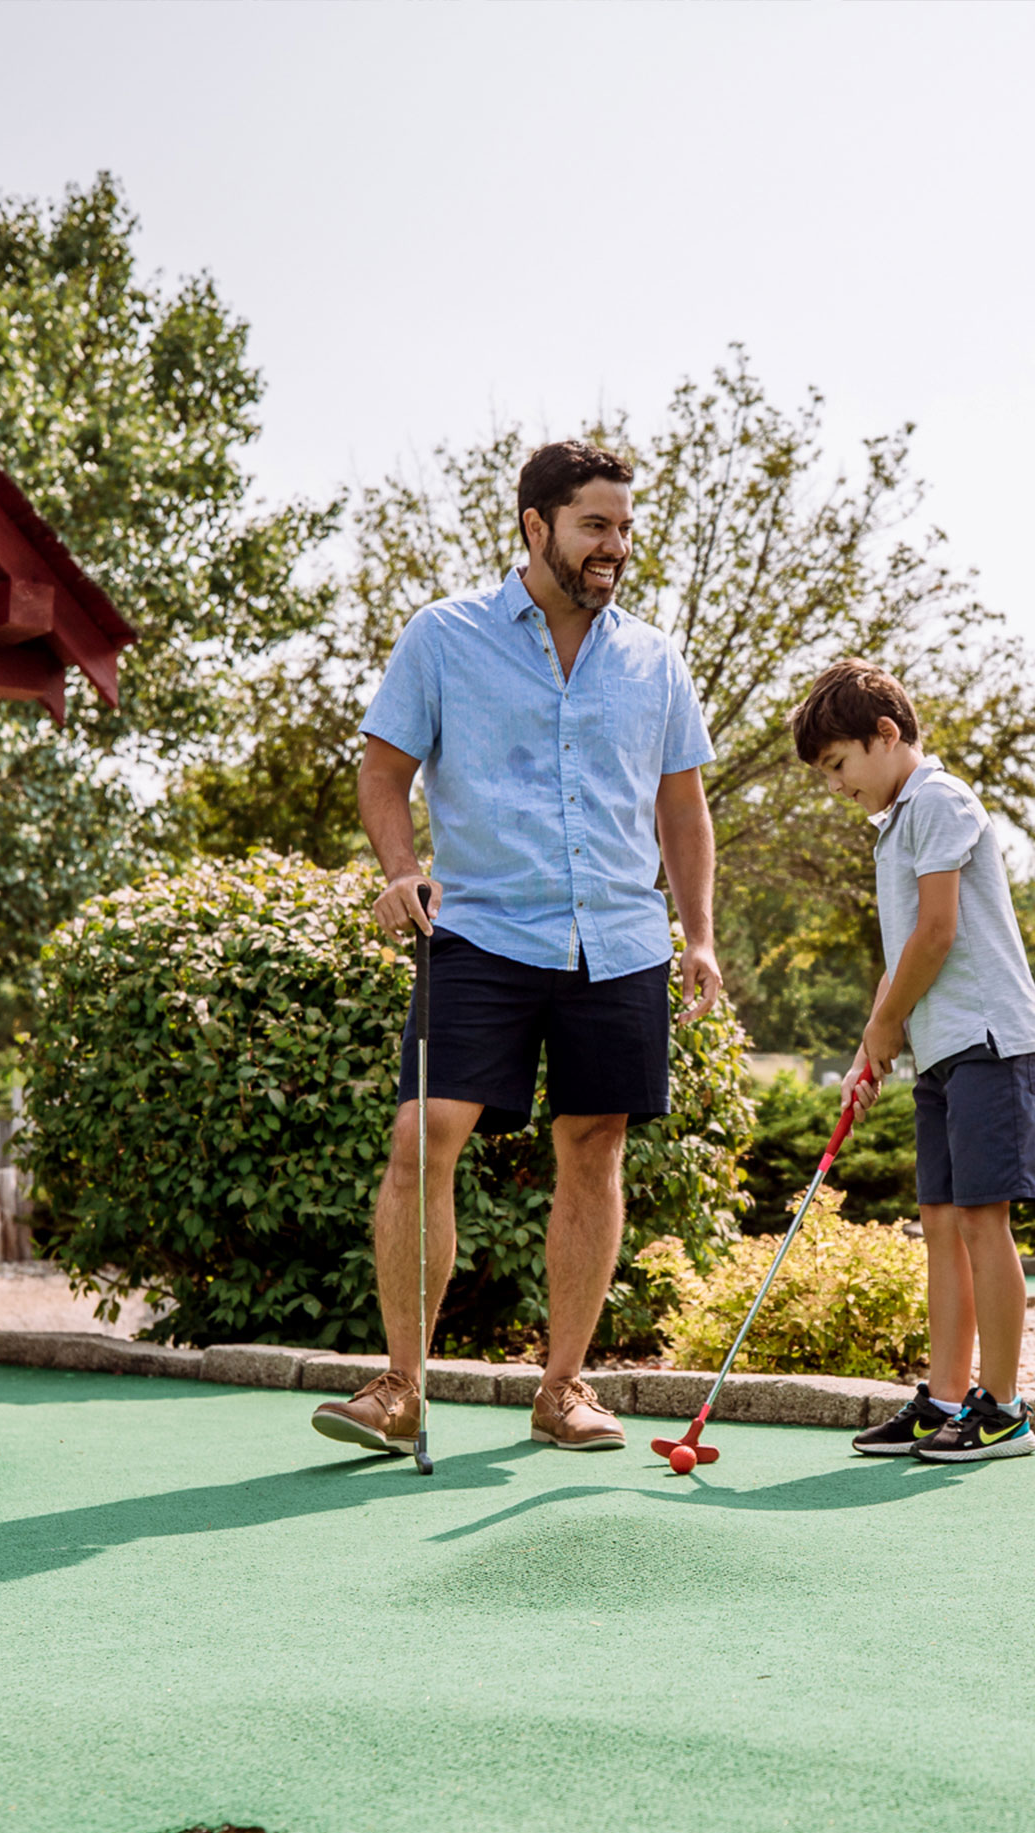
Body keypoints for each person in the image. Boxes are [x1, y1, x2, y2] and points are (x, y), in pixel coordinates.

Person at [311, 440, 721, 1457]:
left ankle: (564, 1388)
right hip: (482, 930)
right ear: (536, 526)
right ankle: (402, 1387)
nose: (615, 545)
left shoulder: (653, 658)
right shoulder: (445, 638)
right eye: (595, 524)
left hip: (618, 939)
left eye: (624, 527)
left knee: (595, 1151)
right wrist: (401, 868)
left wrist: (701, 935)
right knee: (422, 1139)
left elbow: (683, 805)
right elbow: (383, 771)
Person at [791, 659, 1035, 1463]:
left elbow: (938, 932)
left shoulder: (939, 800)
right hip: (942, 1050)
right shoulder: (895, 826)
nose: (836, 784)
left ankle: (1004, 1409)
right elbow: (905, 948)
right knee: (940, 1224)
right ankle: (944, 1399)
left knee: (982, 1221)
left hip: (991, 1041)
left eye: (839, 764)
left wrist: (888, 1025)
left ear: (886, 735)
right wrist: (874, 1046)